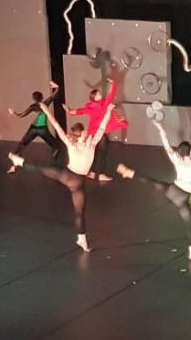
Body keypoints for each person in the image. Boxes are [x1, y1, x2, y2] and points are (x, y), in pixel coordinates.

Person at [8, 99, 116, 252]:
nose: (87, 132)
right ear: (80, 135)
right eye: (84, 132)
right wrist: (46, 110)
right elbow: (57, 126)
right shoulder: (72, 143)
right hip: (68, 175)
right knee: (42, 169)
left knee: (80, 213)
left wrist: (109, 111)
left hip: (78, 183)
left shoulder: (92, 143)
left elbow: (102, 127)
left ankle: (82, 239)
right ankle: (19, 162)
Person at [117, 121, 191, 261]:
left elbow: (166, 145)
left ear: (180, 152)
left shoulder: (176, 159)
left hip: (172, 190)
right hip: (183, 196)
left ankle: (131, 174)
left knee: (152, 182)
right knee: (189, 224)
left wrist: (160, 128)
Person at [65, 80, 129, 181]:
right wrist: (113, 84)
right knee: (102, 153)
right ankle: (100, 174)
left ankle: (92, 172)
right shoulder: (103, 104)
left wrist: (69, 111)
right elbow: (110, 95)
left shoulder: (91, 106)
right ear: (94, 98)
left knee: (94, 152)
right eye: (98, 94)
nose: (100, 94)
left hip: (92, 133)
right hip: (99, 133)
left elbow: (78, 111)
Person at [7, 81, 61, 172]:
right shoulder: (45, 103)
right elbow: (54, 95)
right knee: (55, 145)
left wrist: (14, 113)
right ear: (42, 97)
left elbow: (21, 115)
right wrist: (57, 87)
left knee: (22, 145)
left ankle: (13, 167)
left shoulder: (33, 106)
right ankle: (54, 164)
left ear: (33, 98)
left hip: (33, 128)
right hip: (42, 129)